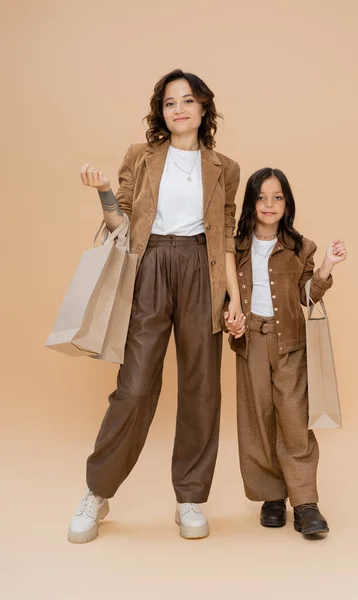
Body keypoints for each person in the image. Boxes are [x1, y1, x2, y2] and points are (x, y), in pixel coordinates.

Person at [68, 69, 245, 544]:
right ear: (161, 112)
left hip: (201, 270)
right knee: (135, 385)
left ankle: (189, 497)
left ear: (204, 108)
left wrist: (233, 298)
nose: (179, 109)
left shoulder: (225, 168)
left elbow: (225, 238)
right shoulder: (141, 158)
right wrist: (104, 190)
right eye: (170, 102)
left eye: (188, 101)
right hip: (150, 266)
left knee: (202, 387)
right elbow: (120, 221)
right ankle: (97, 491)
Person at [224, 167, 347, 536]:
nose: (269, 204)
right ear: (251, 202)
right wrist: (231, 320)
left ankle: (306, 503)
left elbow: (305, 295)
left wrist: (327, 264)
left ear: (287, 203)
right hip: (250, 342)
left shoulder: (299, 247)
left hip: (290, 343)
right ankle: (272, 497)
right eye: (261, 197)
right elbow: (224, 293)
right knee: (257, 421)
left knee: (294, 421)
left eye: (277, 197)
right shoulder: (236, 246)